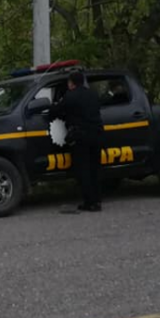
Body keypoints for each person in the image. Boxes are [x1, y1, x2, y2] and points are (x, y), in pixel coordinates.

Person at [51, 71, 104, 212]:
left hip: (81, 137)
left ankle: (89, 202)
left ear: (71, 83)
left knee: (84, 170)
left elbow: (56, 111)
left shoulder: (70, 96)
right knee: (95, 169)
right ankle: (97, 201)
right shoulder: (93, 94)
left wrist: (53, 107)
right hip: (97, 135)